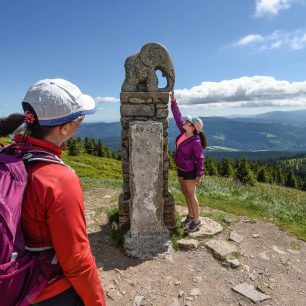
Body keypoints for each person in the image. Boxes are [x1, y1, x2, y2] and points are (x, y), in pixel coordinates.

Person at [0, 79, 106, 305]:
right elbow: (76, 259)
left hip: (13, 282)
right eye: (80, 118)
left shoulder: (8, 155)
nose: (80, 124)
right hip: (47, 290)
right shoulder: (58, 178)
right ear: (64, 128)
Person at [170, 90, 207, 232]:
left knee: (191, 194)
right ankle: (190, 216)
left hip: (190, 171)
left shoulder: (195, 140)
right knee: (185, 192)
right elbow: (177, 117)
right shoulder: (184, 133)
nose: (184, 122)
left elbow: (200, 158)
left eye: (188, 121)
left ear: (192, 127)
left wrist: (199, 175)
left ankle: (197, 221)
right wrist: (173, 102)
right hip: (181, 168)